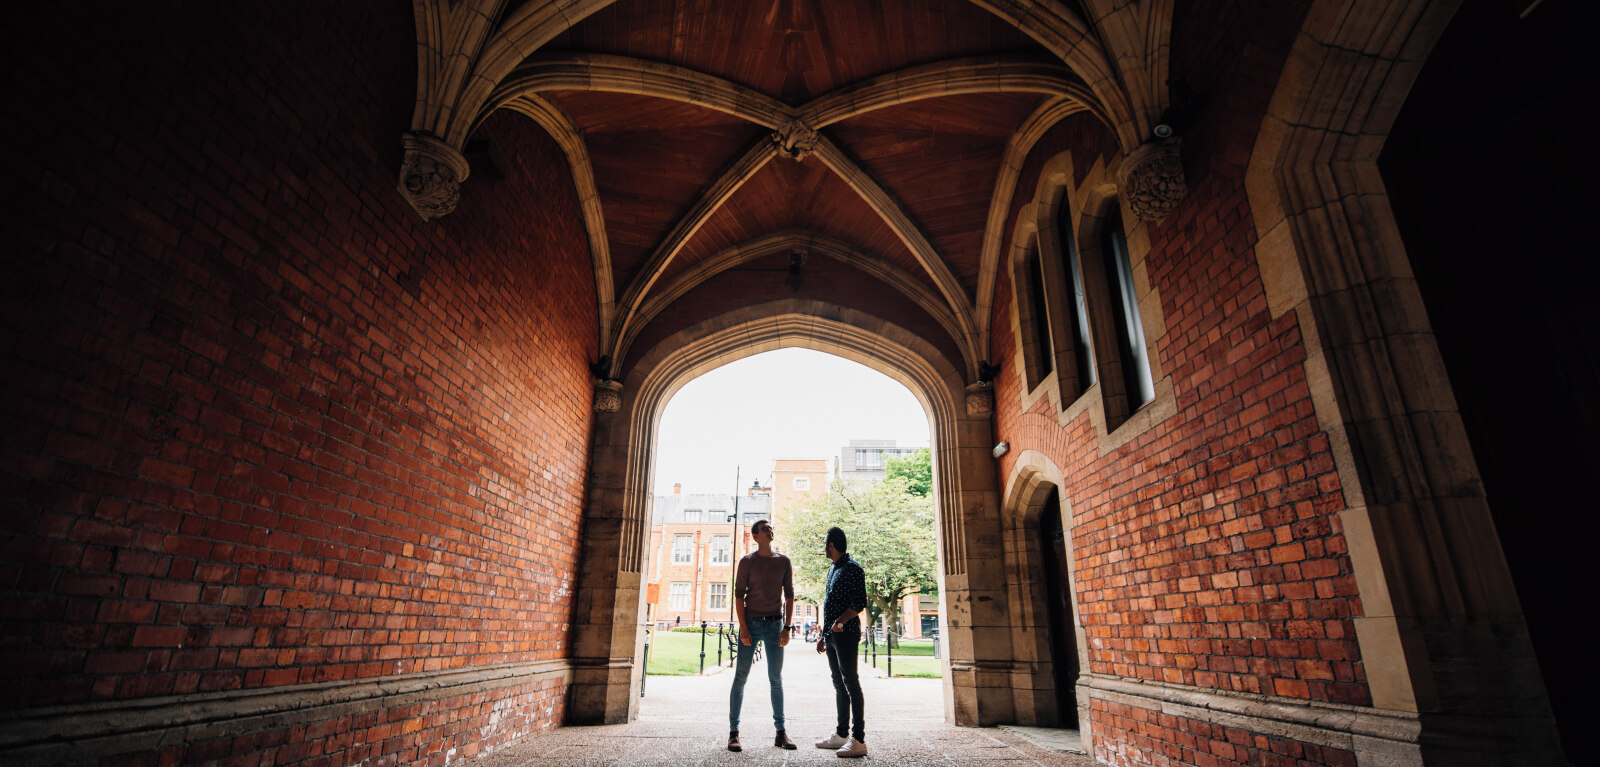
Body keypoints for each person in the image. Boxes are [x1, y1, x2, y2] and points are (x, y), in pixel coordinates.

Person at [728, 519, 796, 752]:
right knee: (741, 677)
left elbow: (789, 596)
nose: (769, 529)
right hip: (752, 623)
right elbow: (738, 596)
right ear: (756, 536)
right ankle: (734, 733)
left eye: (770, 527)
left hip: (775, 624)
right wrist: (744, 627)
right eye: (764, 528)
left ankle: (780, 733)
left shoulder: (784, 561)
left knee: (776, 679)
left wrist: (787, 627)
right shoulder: (746, 562)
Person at [815, 526, 868, 758]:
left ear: (832, 545)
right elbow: (830, 603)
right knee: (839, 683)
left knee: (851, 684)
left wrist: (840, 622)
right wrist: (824, 635)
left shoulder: (853, 568)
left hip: (846, 634)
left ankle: (859, 739)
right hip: (833, 635)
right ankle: (841, 733)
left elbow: (859, 603)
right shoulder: (834, 568)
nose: (824, 547)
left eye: (826, 543)